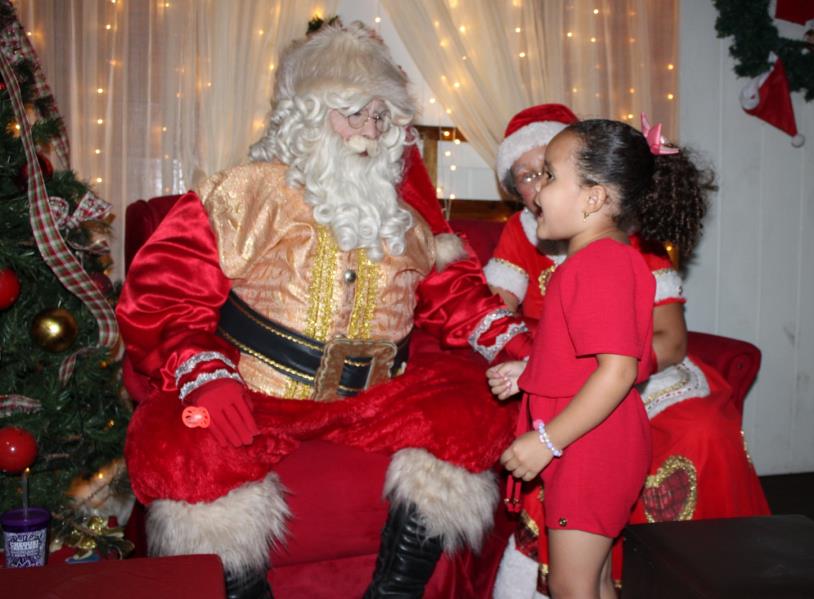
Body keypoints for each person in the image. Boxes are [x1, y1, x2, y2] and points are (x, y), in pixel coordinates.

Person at [116, 22, 530, 599]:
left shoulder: (404, 216)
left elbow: (458, 297)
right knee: (176, 443)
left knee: (473, 409)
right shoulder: (244, 191)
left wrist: (523, 352)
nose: (368, 130)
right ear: (309, 115)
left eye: (381, 117)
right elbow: (162, 292)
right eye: (352, 112)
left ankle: (392, 592)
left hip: (381, 395)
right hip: (262, 389)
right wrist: (202, 372)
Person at [488, 106, 770, 597]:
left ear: (594, 197)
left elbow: (617, 372)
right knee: (595, 582)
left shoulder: (594, 268)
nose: (536, 193)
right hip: (593, 444)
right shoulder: (612, 260)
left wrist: (547, 441)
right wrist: (530, 375)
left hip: (586, 450)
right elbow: (584, 359)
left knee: (571, 587)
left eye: (550, 176)